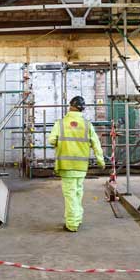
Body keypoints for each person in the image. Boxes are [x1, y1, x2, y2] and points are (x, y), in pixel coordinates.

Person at [48, 95, 104, 232]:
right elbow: (96, 144)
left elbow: (51, 141)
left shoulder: (60, 124)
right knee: (78, 192)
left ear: (70, 106)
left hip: (66, 166)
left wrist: (61, 144)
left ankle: (72, 224)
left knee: (70, 194)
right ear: (82, 109)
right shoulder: (87, 125)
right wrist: (100, 160)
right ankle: (77, 219)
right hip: (81, 166)